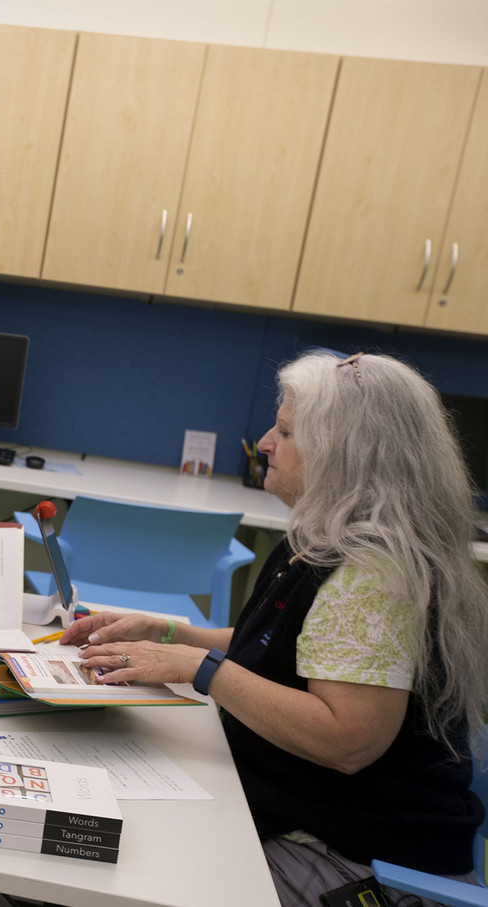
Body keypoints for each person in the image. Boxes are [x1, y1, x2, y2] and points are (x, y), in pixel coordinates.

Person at [60, 350, 488, 906]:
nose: (264, 442)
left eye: (285, 432)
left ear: (343, 454)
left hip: (357, 855)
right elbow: (278, 649)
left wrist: (200, 669)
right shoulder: (317, 538)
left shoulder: (374, 576)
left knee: (113, 872)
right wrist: (168, 634)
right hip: (301, 816)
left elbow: (347, 741)